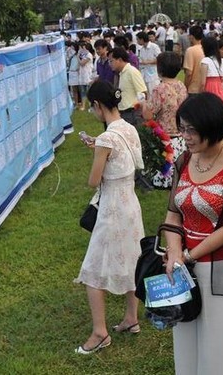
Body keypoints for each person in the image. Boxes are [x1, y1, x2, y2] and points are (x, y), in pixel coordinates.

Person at [161, 93, 223, 375]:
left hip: (219, 266)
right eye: (182, 128)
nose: (185, 136)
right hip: (182, 266)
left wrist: (190, 255)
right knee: (185, 337)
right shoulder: (184, 160)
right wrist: (175, 252)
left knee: (221, 344)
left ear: (213, 127)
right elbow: (173, 212)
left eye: (191, 129)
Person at [74, 80, 145, 354]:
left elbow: (94, 180)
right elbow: (130, 162)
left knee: (93, 269)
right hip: (131, 202)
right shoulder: (127, 127)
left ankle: (100, 332)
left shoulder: (106, 137)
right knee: (131, 258)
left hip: (113, 206)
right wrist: (101, 150)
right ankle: (131, 318)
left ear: (98, 106)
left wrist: (99, 153)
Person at [142, 52, 188, 189]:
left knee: (165, 163)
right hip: (180, 135)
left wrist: (143, 103)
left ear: (159, 69)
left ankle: (164, 181)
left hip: (164, 137)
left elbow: (148, 115)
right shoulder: (181, 85)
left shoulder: (159, 89)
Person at [109, 47, 147, 125]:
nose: (110, 64)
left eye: (111, 61)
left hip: (132, 112)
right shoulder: (121, 73)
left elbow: (142, 92)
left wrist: (139, 113)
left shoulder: (131, 71)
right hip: (123, 112)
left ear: (119, 60)